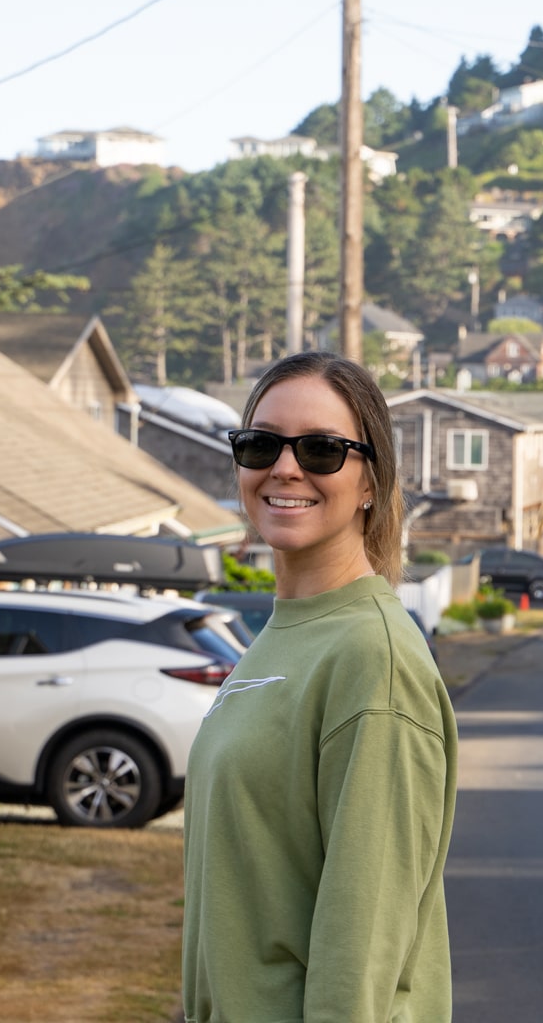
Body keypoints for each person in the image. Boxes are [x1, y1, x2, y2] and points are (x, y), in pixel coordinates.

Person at [182, 352, 457, 1022]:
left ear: (370, 482)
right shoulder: (284, 636)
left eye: (321, 450)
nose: (285, 467)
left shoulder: (372, 658)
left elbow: (360, 951)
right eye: (261, 444)